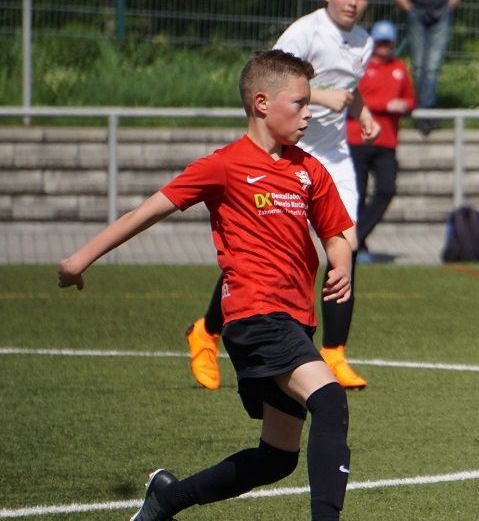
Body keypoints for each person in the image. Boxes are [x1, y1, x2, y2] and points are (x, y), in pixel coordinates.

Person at [59, 49, 356, 520]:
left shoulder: (308, 169)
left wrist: (340, 265)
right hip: (256, 316)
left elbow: (337, 234)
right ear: (262, 103)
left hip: (295, 320)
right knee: (330, 398)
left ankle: (167, 499)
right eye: (300, 103)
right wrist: (80, 259)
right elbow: (146, 212)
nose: (309, 114)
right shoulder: (224, 165)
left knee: (277, 458)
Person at [186, 0, 380, 392]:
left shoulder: (364, 41)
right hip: (288, 150)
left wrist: (362, 112)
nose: (353, 1)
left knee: (346, 246)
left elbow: (350, 89)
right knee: (259, 251)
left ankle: (334, 352)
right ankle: (206, 331)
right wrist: (324, 98)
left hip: (333, 158)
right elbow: (277, 81)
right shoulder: (304, 33)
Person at [347, 20, 416, 263]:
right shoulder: (360, 66)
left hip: (387, 141)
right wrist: (386, 105)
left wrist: (406, 105)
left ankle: (355, 239)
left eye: (388, 43)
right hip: (357, 138)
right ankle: (359, 248)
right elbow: (351, 98)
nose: (384, 47)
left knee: (387, 189)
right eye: (380, 42)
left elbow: (410, 98)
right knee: (357, 194)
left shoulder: (399, 67)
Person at [384, 0, 471, 135]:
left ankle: (425, 112)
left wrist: (449, 6)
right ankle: (425, 113)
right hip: (414, 12)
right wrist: (407, 7)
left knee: (432, 66)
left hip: (441, 13)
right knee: (418, 66)